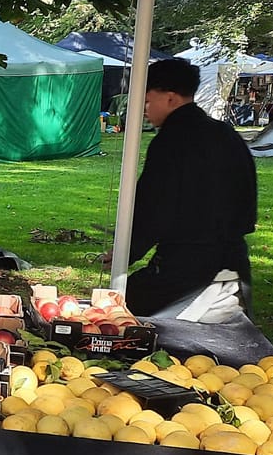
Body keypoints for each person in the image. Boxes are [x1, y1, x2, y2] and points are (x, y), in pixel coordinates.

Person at [105, 58, 256, 317]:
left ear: (171, 98)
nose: (143, 109)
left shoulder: (170, 142)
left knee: (122, 315)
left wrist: (126, 254)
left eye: (147, 101)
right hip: (234, 261)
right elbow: (247, 201)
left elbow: (153, 207)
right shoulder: (227, 134)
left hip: (186, 265)